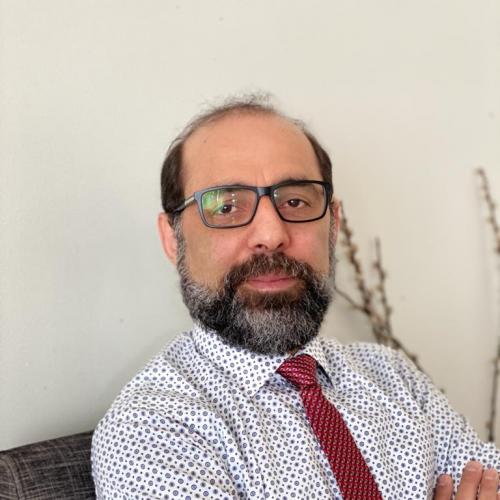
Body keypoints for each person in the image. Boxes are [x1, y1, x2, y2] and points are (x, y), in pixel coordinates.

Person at [91, 96, 500, 499]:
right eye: (227, 206)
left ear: (333, 224)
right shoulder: (150, 429)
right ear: (172, 239)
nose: (271, 235)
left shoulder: (394, 377)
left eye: (295, 201)